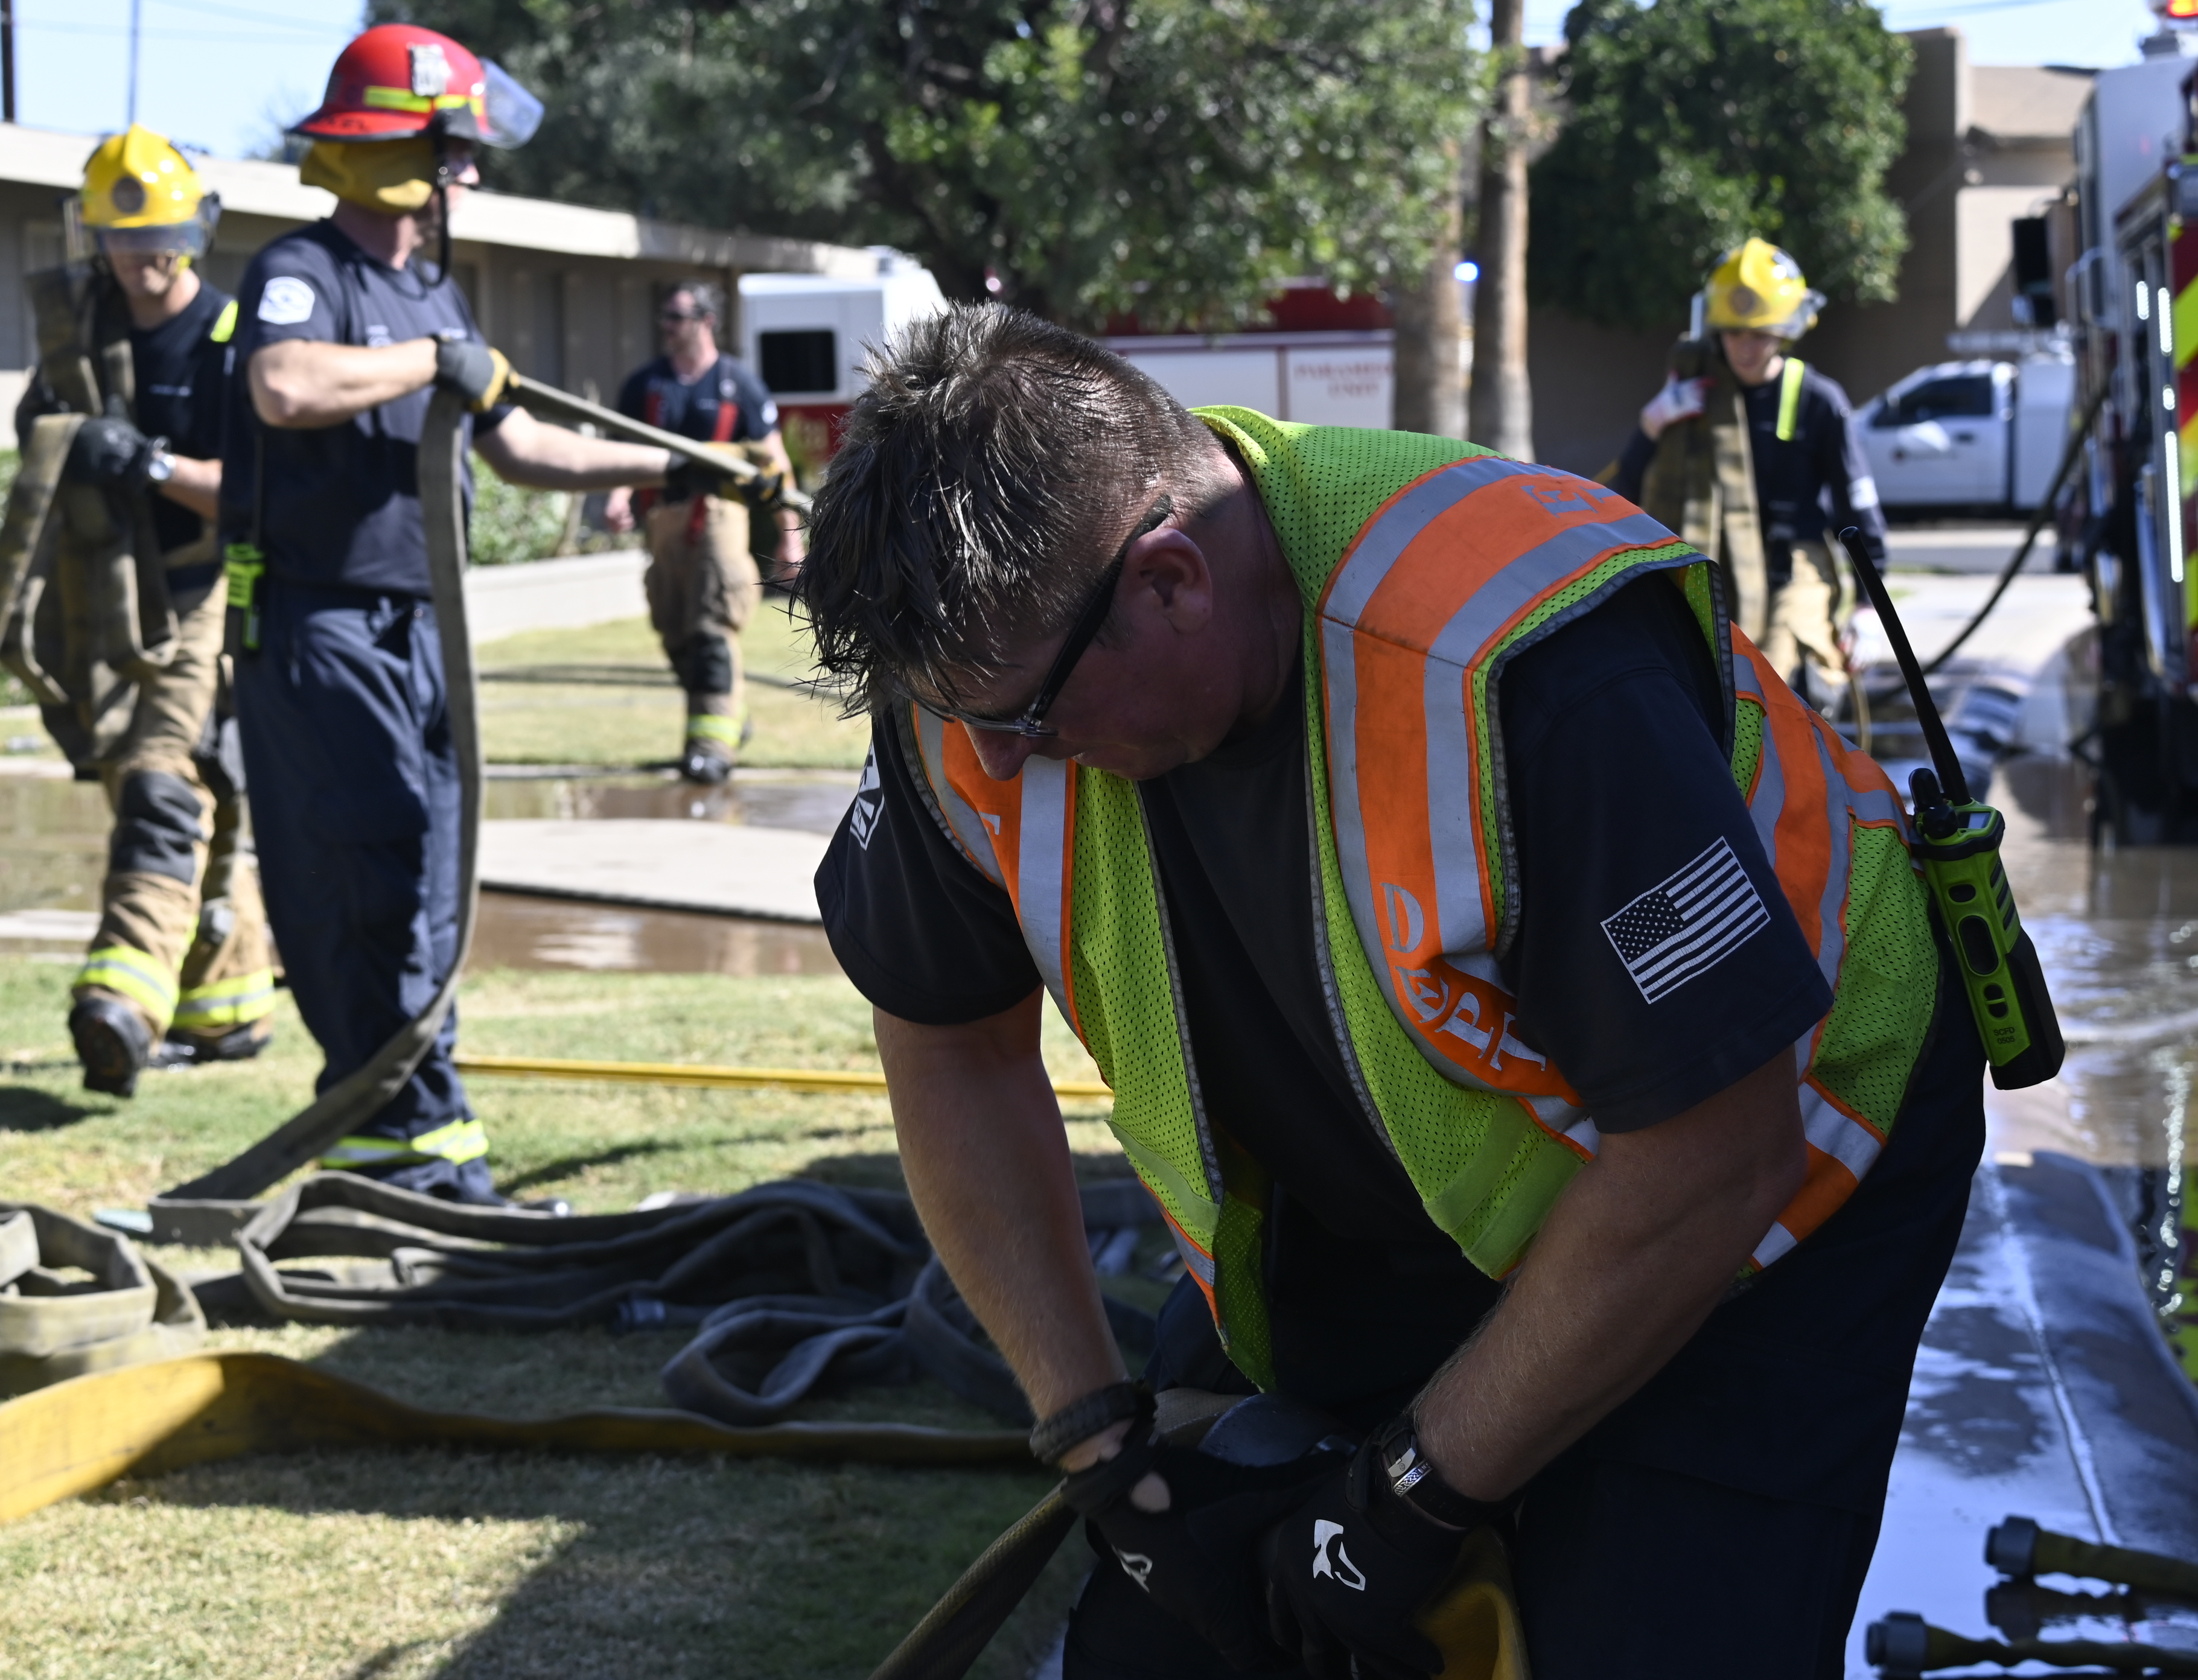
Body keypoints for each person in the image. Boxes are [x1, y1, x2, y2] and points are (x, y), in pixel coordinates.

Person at [801, 305, 1991, 1678]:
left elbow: (1716, 1153)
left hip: (1772, 1190)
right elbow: (949, 1044)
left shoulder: (1516, 668)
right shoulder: (985, 670)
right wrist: (1096, 1441)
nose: (998, 762)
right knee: (1176, 1642)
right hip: (1412, 1211)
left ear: (1171, 582)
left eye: (1022, 720)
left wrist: (1413, 1493)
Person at [225, 23, 674, 1203]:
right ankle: (402, 1135)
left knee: (429, 880)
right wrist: (431, 359)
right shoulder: (303, 271)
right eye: (455, 153)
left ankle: (420, 1137)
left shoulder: (431, 288)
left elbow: (521, 445)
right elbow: (283, 383)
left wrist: (673, 466)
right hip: (323, 627)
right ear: (399, 155)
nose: (469, 175)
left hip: (420, 630)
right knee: (367, 872)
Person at [4, 126, 281, 1096]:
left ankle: (120, 998)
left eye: (156, 235)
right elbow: (35, 428)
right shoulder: (82, 334)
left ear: (196, 232)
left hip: (207, 591)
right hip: (106, 594)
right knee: (199, 785)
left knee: (159, 779)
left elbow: (258, 493)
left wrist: (152, 467)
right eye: (117, 237)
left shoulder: (232, 340)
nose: (136, 256)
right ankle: (229, 1005)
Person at [1612, 237, 1886, 708]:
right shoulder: (1693, 395)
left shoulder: (1819, 400)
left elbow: (1856, 505)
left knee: (1768, 679)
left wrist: (1868, 606)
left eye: (1760, 334)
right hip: (1711, 560)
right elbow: (1625, 491)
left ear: (1786, 331)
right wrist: (1652, 425)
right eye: (1734, 333)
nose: (1745, 346)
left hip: (1794, 564)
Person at [599, 282, 805, 783]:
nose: (666, 327)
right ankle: (731, 716)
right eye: (665, 317)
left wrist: (790, 535)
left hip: (719, 518)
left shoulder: (738, 385)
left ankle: (711, 749)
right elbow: (625, 451)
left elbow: (775, 464)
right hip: (664, 521)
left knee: (711, 626)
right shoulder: (645, 385)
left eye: (677, 317)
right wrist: (618, 497)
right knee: (674, 630)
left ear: (706, 321)